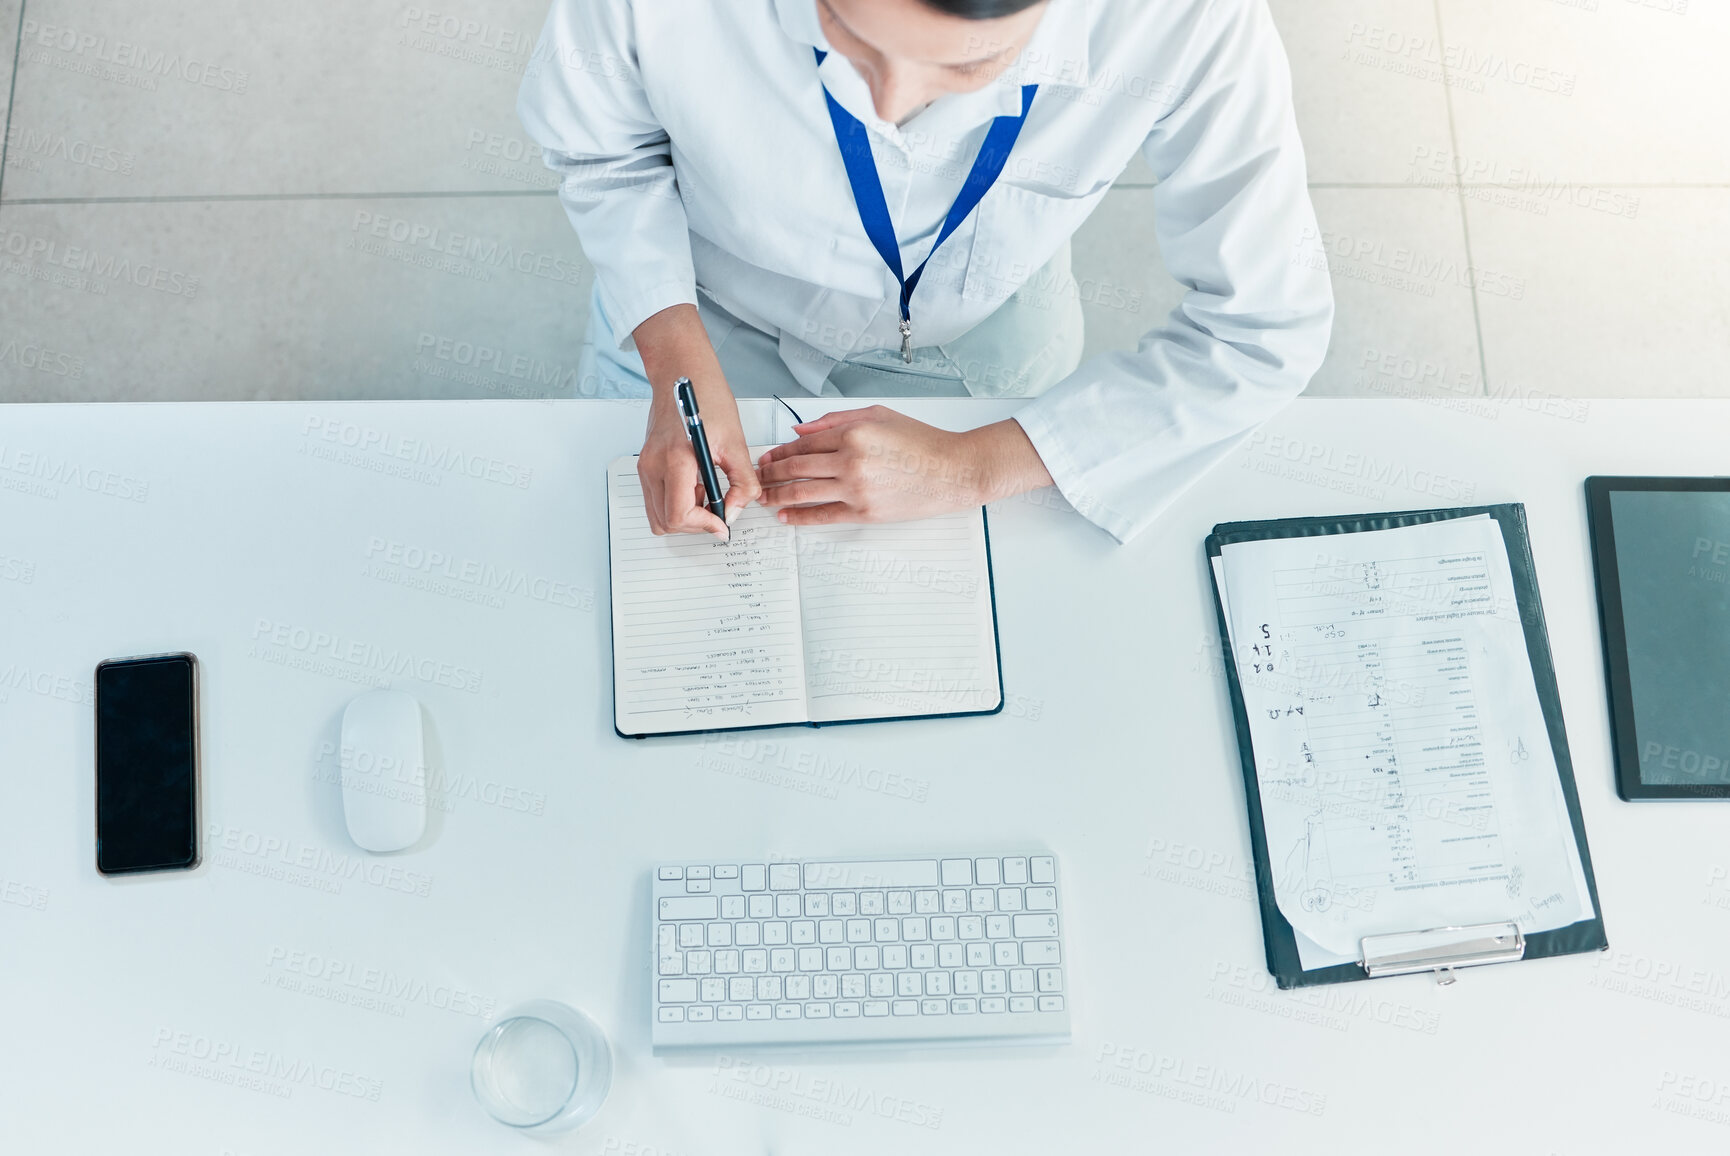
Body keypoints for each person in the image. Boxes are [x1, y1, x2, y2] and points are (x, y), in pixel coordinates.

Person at [519, 0, 1333, 542]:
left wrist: (975, 465)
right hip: (700, 307)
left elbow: (1266, 327)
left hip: (984, 332)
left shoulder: (1189, 19)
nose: (887, 107)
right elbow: (603, 153)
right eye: (845, 32)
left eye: (968, 69)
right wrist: (676, 371)